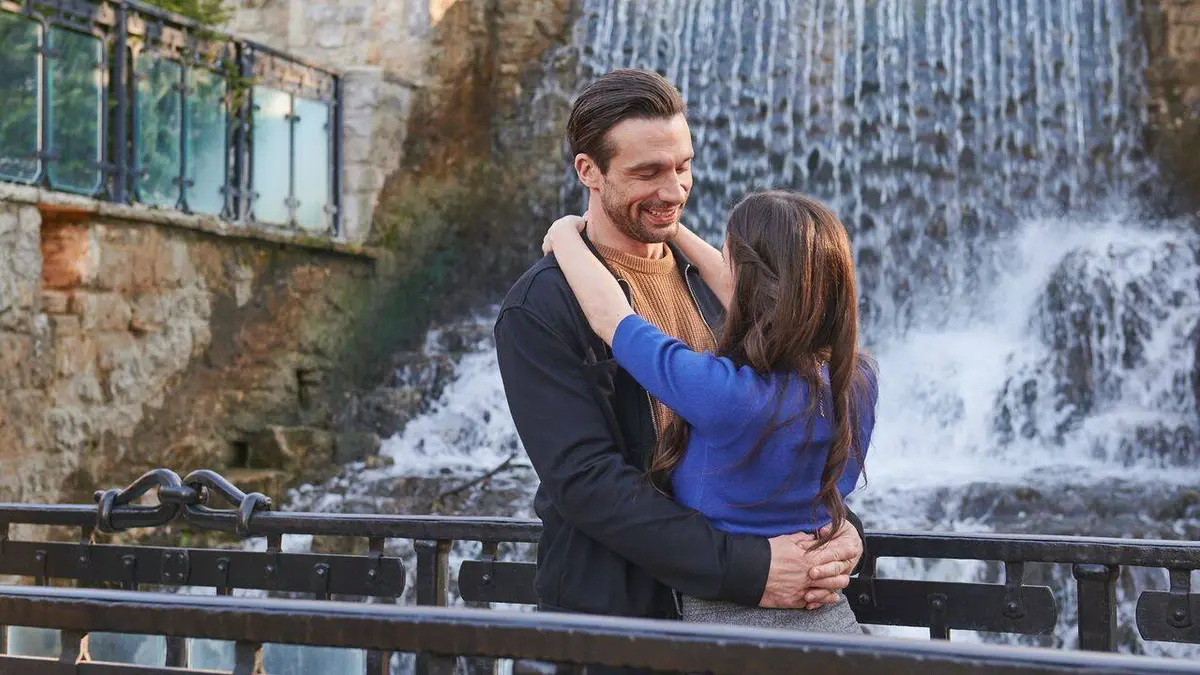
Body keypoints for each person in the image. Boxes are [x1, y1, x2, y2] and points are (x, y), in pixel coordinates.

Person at [493, 68, 866, 629]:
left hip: (755, 610)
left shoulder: (729, 286)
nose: (673, 191)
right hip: (620, 621)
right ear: (588, 171)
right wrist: (749, 566)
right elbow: (586, 481)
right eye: (648, 172)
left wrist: (841, 530)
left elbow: (790, 417)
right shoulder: (541, 306)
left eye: (683, 166)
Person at [540, 189, 879, 632]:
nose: (720, 269)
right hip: (830, 621)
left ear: (750, 283)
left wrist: (564, 234)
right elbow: (750, 293)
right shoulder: (857, 381)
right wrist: (674, 230)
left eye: (727, 258)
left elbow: (611, 316)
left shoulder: (721, 393)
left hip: (729, 627)